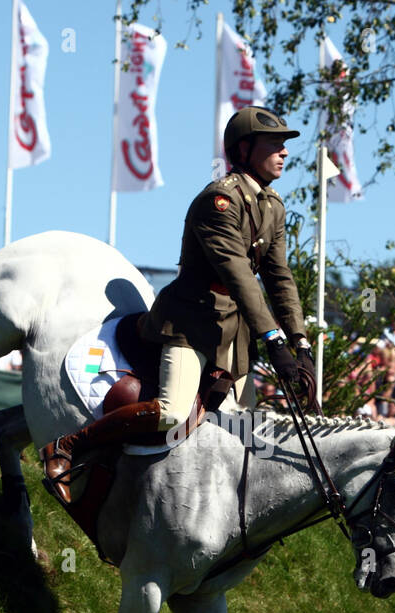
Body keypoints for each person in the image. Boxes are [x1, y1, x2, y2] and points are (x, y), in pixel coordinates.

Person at [40, 107, 310, 503]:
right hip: (191, 322)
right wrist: (273, 338)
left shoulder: (273, 205)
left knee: (246, 429)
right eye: (275, 144)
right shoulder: (219, 201)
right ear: (246, 148)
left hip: (233, 331)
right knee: (171, 411)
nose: (284, 152)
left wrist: (300, 342)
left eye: (285, 146)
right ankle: (66, 446)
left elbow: (278, 277)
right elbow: (238, 274)